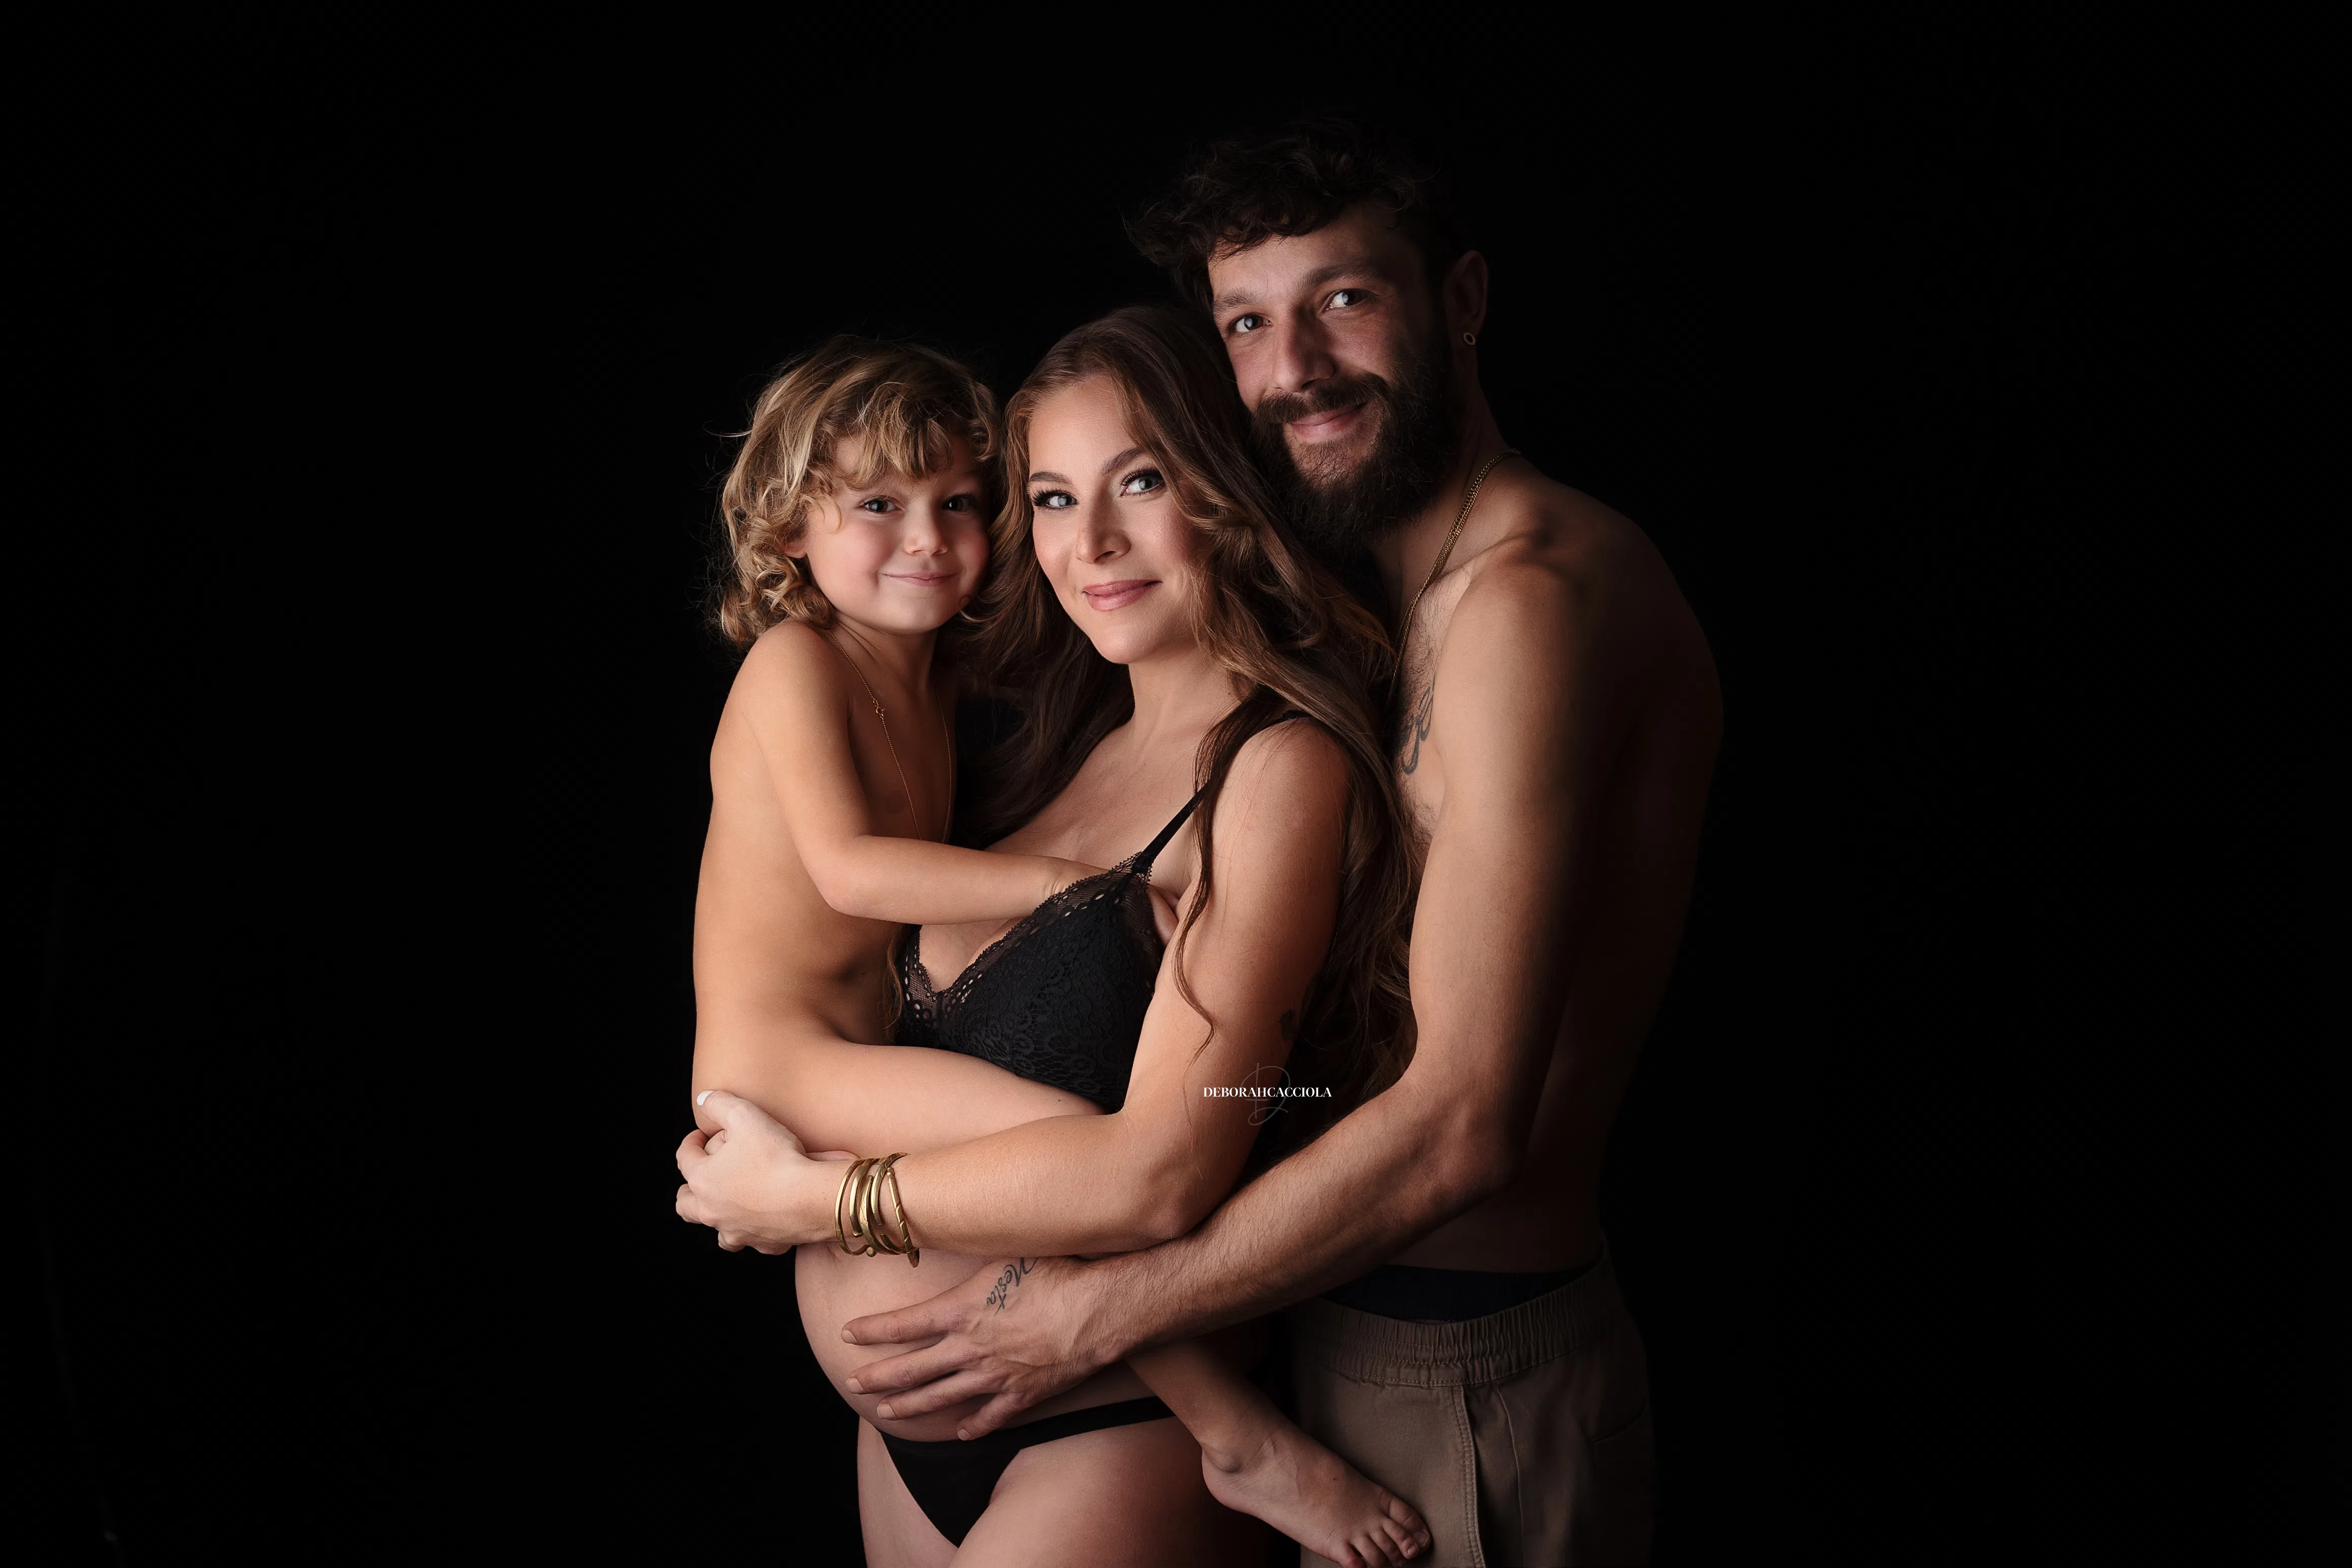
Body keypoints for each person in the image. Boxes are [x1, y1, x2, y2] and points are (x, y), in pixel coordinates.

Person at [805, 122, 1726, 1567]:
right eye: (1247, 322)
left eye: (1344, 300)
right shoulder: (1365, 614)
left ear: (1461, 301)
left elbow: (1464, 1115)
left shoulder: (1524, 601)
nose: (1293, 364)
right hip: (1297, 1335)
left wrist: (1083, 1307)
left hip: (1460, 1369)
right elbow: (1279, 1063)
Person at [681, 315, 1431, 1566]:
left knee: (1075, 1152)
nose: (1091, 543)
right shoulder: (1033, 751)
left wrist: (816, 1197)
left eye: (1139, 481)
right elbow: (845, 875)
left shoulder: (1271, 765)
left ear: (1225, 493)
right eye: (1051, 496)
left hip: (1098, 1430)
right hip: (908, 1427)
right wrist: (1064, 877)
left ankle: (1239, 1434)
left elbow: (1167, 1163)